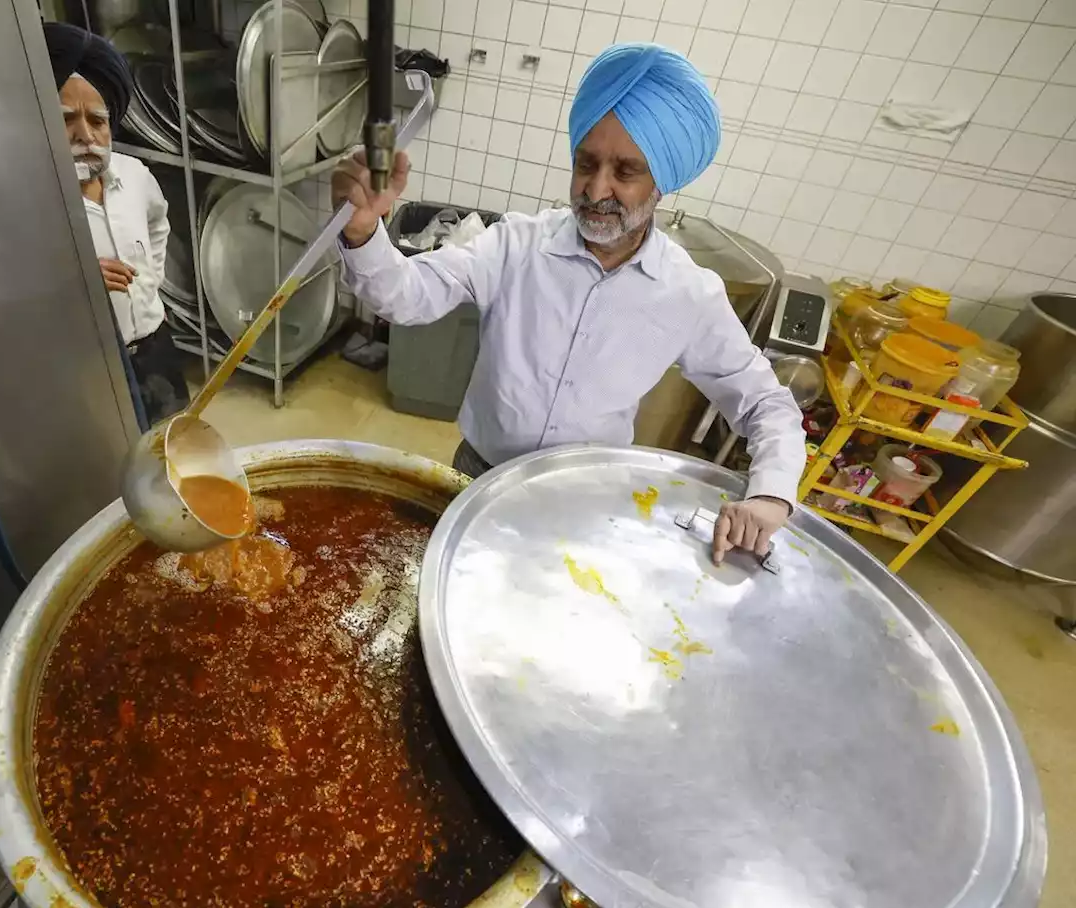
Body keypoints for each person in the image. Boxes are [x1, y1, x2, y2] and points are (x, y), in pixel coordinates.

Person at [332, 43, 806, 565]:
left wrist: (770, 494)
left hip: (584, 500)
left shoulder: (688, 294)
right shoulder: (514, 245)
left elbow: (765, 402)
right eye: (587, 163)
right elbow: (404, 296)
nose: (597, 188)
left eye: (625, 172)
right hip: (476, 472)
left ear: (660, 184)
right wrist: (362, 229)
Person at [43, 22, 189, 426]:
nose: (85, 135)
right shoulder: (31, 202)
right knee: (113, 460)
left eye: (98, 120)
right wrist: (73, 282)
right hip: (88, 364)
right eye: (67, 119)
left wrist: (150, 281)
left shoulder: (135, 175)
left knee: (172, 445)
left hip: (155, 348)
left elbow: (159, 224)